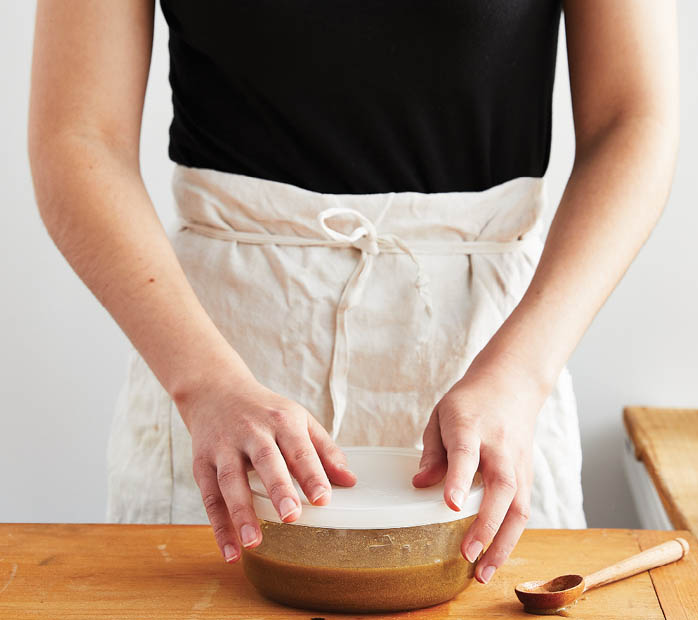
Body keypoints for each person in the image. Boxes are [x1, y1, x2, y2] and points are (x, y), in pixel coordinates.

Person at [28, 0, 678, 586]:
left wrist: (521, 374)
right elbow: (78, 136)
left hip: (492, 360)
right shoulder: (206, 378)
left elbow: (634, 119)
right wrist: (204, 383)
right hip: (213, 352)